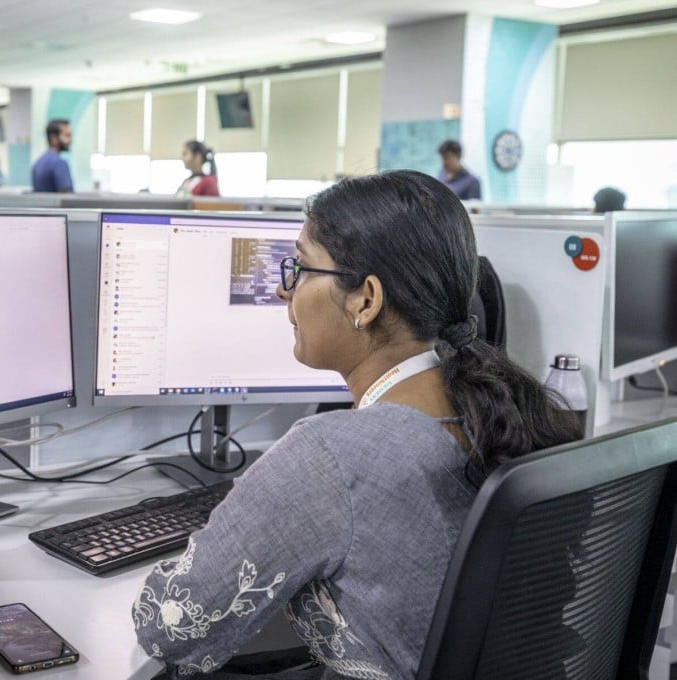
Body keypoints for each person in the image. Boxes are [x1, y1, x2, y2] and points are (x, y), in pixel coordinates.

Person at [133, 170, 581, 679]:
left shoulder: (330, 456)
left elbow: (169, 626)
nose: (286, 292)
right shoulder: (508, 409)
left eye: (300, 268)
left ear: (366, 300)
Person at [31, 119, 73, 192]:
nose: (70, 140)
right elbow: (67, 198)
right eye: (67, 136)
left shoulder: (38, 163)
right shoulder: (59, 164)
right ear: (53, 138)